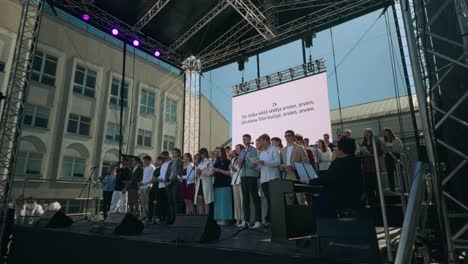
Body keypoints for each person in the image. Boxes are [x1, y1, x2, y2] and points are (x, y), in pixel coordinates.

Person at [305, 137, 364, 217]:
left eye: (337, 147)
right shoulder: (356, 161)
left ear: (342, 150)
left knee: (318, 202)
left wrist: (310, 181)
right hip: (354, 197)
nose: (335, 150)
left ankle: (321, 226)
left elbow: (327, 179)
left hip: (340, 198)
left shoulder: (339, 163)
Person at [253, 134, 280, 226]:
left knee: (273, 200)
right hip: (264, 180)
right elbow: (260, 168)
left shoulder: (274, 149)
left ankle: (275, 221)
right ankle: (270, 221)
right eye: (260, 141)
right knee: (269, 200)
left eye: (263, 141)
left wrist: (264, 162)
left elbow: (277, 163)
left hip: (273, 178)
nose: (261, 143)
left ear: (268, 140)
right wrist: (256, 166)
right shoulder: (261, 152)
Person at [238, 134, 262, 229]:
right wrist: (240, 163)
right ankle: (246, 220)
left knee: (255, 198)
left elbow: (254, 163)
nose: (244, 140)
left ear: (249, 139)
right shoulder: (242, 151)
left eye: (245, 139)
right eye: (243, 139)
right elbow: (239, 165)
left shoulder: (254, 150)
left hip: (252, 176)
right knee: (245, 199)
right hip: (243, 176)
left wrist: (245, 162)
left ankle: (258, 220)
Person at [358, 128, 384, 204]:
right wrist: (361, 152)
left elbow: (380, 152)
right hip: (366, 166)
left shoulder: (376, 142)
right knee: (367, 184)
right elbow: (360, 153)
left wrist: (371, 154)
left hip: (374, 164)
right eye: (365, 133)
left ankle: (378, 200)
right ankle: (370, 200)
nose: (366, 134)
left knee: (376, 183)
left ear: (371, 133)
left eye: (368, 132)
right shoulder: (363, 142)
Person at [212, 147, 233, 225]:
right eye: (217, 152)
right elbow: (213, 173)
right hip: (217, 184)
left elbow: (229, 173)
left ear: (223, 152)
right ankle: (219, 218)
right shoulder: (216, 162)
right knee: (218, 203)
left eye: (219, 151)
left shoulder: (228, 161)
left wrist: (219, 170)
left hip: (225, 184)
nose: (218, 153)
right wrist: (213, 171)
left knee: (225, 202)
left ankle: (225, 219)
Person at [165, 148, 183, 224]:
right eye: (172, 152)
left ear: (178, 154)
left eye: (174, 152)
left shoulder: (180, 162)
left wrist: (170, 181)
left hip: (176, 183)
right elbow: (167, 173)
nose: (173, 154)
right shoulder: (170, 163)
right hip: (169, 183)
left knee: (176, 201)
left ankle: (177, 218)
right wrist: (166, 181)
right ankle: (172, 218)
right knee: (170, 201)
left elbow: (178, 173)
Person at [194, 148, 214, 214]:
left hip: (206, 182)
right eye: (200, 153)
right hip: (199, 182)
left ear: (206, 153)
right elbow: (196, 172)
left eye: (203, 153)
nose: (202, 155)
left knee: (206, 200)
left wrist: (202, 172)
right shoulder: (198, 162)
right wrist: (197, 172)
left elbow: (211, 172)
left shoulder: (209, 161)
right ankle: (200, 216)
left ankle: (206, 217)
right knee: (199, 199)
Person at [230, 145, 244, 227]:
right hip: (234, 181)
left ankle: (243, 219)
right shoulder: (233, 159)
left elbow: (242, 169)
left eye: (238, 148)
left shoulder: (242, 158)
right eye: (236, 148)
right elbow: (231, 172)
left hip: (240, 181)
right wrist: (232, 169)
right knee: (236, 202)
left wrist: (235, 169)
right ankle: (237, 219)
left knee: (242, 201)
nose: (236, 150)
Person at [156, 152, 170, 223]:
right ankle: (161, 216)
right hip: (160, 185)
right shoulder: (163, 164)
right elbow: (161, 174)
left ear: (167, 156)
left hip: (166, 184)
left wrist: (164, 179)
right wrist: (159, 178)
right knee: (160, 202)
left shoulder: (170, 163)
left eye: (163, 156)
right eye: (161, 157)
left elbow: (169, 174)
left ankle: (166, 216)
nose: (162, 158)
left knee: (166, 202)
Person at [148, 156, 163, 223]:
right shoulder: (157, 169)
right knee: (151, 201)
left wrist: (155, 179)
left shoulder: (163, 169)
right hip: (154, 187)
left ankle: (158, 216)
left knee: (158, 202)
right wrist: (153, 179)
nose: (158, 162)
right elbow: (153, 178)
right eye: (158, 160)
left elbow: (158, 178)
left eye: (159, 160)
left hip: (159, 187)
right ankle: (150, 217)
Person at [140, 156, 155, 222]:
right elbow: (144, 177)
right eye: (144, 161)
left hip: (148, 187)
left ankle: (148, 217)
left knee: (147, 203)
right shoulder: (145, 168)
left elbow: (151, 178)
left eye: (145, 160)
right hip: (142, 187)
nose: (144, 162)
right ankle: (143, 215)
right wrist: (141, 183)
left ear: (149, 160)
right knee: (143, 203)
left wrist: (143, 182)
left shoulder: (152, 167)